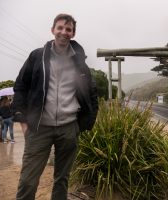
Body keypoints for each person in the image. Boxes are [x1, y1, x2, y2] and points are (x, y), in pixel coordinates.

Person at [12, 13, 98, 200]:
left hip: (68, 128)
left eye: (68, 29)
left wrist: (84, 123)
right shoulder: (37, 56)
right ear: (53, 30)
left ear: (73, 34)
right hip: (38, 128)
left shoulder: (80, 63)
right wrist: (23, 120)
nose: (64, 32)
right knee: (28, 180)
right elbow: (20, 87)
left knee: (62, 179)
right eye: (60, 28)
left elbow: (91, 93)